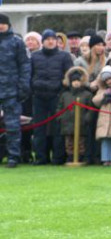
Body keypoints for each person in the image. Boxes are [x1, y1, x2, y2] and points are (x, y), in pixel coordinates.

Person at [29, 28, 73, 164]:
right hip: (39, 96)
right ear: (43, 42)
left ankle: (58, 157)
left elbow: (69, 74)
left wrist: (61, 87)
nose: (50, 42)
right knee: (39, 129)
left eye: (53, 39)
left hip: (56, 96)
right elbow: (29, 75)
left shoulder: (64, 56)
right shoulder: (35, 56)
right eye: (48, 39)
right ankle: (41, 157)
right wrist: (34, 87)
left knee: (57, 128)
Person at [0, 13, 31, 167]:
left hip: (11, 90)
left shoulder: (16, 42)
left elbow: (25, 66)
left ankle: (13, 156)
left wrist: (23, 87)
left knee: (12, 126)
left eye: (2, 23)